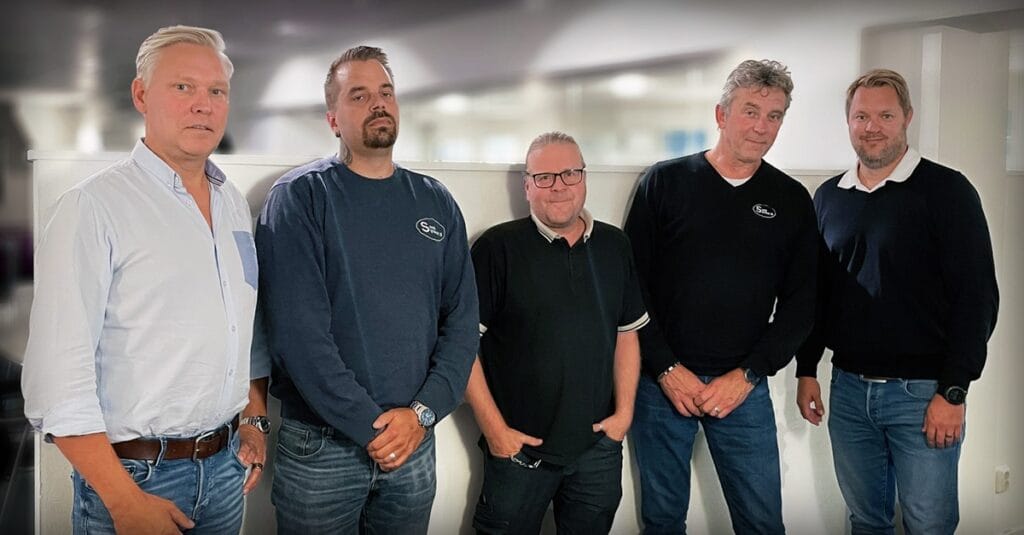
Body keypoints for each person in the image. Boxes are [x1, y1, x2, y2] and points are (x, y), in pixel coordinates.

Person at [21, 25, 269, 535]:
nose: (203, 104)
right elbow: (56, 382)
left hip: (226, 472)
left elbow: (239, 328)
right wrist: (123, 501)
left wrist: (253, 417)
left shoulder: (232, 204)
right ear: (141, 95)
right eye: (183, 87)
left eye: (216, 91)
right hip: (135, 480)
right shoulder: (93, 208)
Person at [256, 46, 479, 534]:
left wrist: (421, 415)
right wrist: (374, 428)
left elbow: (462, 324)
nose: (378, 103)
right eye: (359, 95)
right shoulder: (301, 197)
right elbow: (299, 339)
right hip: (323, 449)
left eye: (386, 92)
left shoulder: (436, 201)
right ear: (333, 120)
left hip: (414, 443)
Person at [795, 68, 999, 535]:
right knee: (866, 521)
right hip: (848, 391)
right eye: (861, 116)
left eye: (885, 115)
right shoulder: (829, 197)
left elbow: (977, 298)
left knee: (929, 524)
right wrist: (807, 369)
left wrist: (954, 390)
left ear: (907, 117)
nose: (872, 127)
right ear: (848, 121)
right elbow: (819, 293)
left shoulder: (948, 191)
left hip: (923, 394)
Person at [624, 59, 817, 534]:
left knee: (762, 522)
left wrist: (749, 374)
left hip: (742, 387)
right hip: (662, 386)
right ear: (721, 114)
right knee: (662, 521)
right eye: (750, 111)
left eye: (774, 116)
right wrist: (665, 368)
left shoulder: (792, 199)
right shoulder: (664, 182)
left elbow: (802, 303)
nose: (762, 127)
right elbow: (629, 286)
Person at [466, 132, 648, 534]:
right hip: (518, 452)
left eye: (570, 173)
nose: (559, 186)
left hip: (597, 449)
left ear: (584, 177)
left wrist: (624, 416)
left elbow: (627, 334)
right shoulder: (496, 248)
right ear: (527, 186)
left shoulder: (615, 245)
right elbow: (461, 348)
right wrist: (495, 432)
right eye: (545, 177)